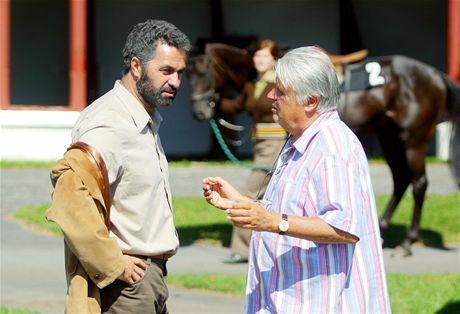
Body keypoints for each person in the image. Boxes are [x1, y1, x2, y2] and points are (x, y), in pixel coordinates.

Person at [203, 46, 391, 313]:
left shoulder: (333, 146)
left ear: (311, 101)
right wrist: (242, 204)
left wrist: (270, 222)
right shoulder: (301, 140)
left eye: (280, 91)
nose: (271, 95)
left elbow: (344, 228)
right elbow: (295, 211)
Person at [46, 19, 191, 313]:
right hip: (126, 286)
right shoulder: (110, 123)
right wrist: (112, 263)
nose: (175, 82)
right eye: (166, 71)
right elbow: (69, 198)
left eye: (180, 73)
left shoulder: (140, 118)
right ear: (136, 66)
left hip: (146, 279)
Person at [220, 39, 287, 263]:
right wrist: (214, 104)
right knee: (267, 195)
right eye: (257, 56)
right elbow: (238, 107)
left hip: (276, 143)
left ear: (274, 60)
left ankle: (241, 249)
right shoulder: (253, 84)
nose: (259, 60)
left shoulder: (280, 84)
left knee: (250, 193)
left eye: (265, 56)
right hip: (260, 144)